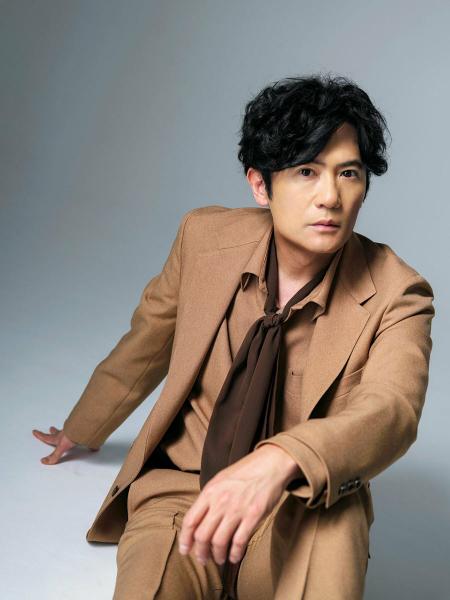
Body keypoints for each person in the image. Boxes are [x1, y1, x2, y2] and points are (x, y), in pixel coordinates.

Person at [32, 74, 435, 599]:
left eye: (349, 173)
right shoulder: (204, 239)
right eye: (306, 171)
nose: (330, 197)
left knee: (339, 516)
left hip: (303, 508)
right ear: (260, 185)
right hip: (184, 495)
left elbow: (391, 409)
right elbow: (148, 341)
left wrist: (281, 459)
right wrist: (83, 425)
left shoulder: (399, 292)